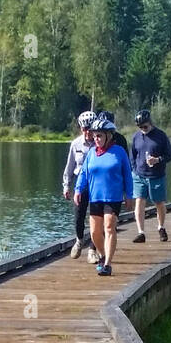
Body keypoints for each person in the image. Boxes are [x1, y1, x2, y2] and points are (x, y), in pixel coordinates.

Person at [74, 113, 134, 277]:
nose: (96, 139)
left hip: (113, 197)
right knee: (94, 233)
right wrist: (78, 190)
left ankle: (107, 264)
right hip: (95, 197)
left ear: (108, 136)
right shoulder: (92, 153)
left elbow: (127, 174)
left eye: (99, 135)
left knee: (109, 227)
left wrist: (129, 194)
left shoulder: (119, 152)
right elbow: (83, 174)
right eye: (94, 136)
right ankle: (102, 255)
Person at [131, 108, 171, 244]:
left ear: (150, 123)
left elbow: (169, 155)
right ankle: (141, 232)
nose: (142, 129)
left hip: (157, 175)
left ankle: (161, 227)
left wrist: (158, 160)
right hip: (139, 175)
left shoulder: (161, 136)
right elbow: (133, 155)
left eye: (145, 126)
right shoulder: (136, 137)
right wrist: (134, 169)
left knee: (159, 202)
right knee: (139, 201)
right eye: (140, 127)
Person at [62, 111, 99, 262]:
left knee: (97, 216)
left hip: (97, 182)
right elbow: (69, 167)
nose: (88, 132)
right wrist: (66, 186)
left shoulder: (100, 143)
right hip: (80, 182)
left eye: (90, 129)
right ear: (81, 129)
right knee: (79, 215)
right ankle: (79, 240)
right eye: (85, 129)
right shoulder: (76, 144)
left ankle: (93, 249)